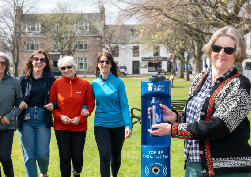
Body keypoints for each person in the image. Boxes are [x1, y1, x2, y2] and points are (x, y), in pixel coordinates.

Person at [148, 26, 251, 176]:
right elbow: (197, 118)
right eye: (217, 48)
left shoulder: (240, 84)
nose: (221, 53)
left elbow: (218, 127)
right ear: (210, 50)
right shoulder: (200, 79)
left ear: (237, 54)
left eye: (228, 50)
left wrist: (173, 130)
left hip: (227, 171)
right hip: (193, 165)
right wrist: (175, 118)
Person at [82, 52, 132, 177]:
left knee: (116, 156)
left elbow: (124, 105)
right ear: (98, 64)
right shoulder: (93, 84)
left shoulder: (119, 83)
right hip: (101, 124)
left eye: (107, 62)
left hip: (118, 124)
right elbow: (87, 102)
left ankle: (114, 175)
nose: (104, 64)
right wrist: (84, 108)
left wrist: (128, 125)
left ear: (111, 65)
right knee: (105, 156)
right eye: (101, 62)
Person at [48, 56, 95, 177]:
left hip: (79, 127)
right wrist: (60, 117)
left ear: (74, 67)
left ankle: (76, 172)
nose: (66, 70)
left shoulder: (85, 84)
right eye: (63, 68)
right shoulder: (56, 84)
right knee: (64, 157)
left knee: (78, 157)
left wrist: (80, 118)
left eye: (69, 67)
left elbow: (90, 105)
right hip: (61, 126)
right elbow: (52, 106)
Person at [15, 49, 57, 177]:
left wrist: (53, 104)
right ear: (32, 61)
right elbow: (14, 96)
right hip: (26, 119)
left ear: (46, 63)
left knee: (43, 154)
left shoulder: (51, 79)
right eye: (36, 59)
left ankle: (43, 173)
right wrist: (19, 102)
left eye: (42, 60)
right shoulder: (22, 79)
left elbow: (58, 98)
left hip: (43, 118)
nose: (39, 62)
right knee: (29, 156)